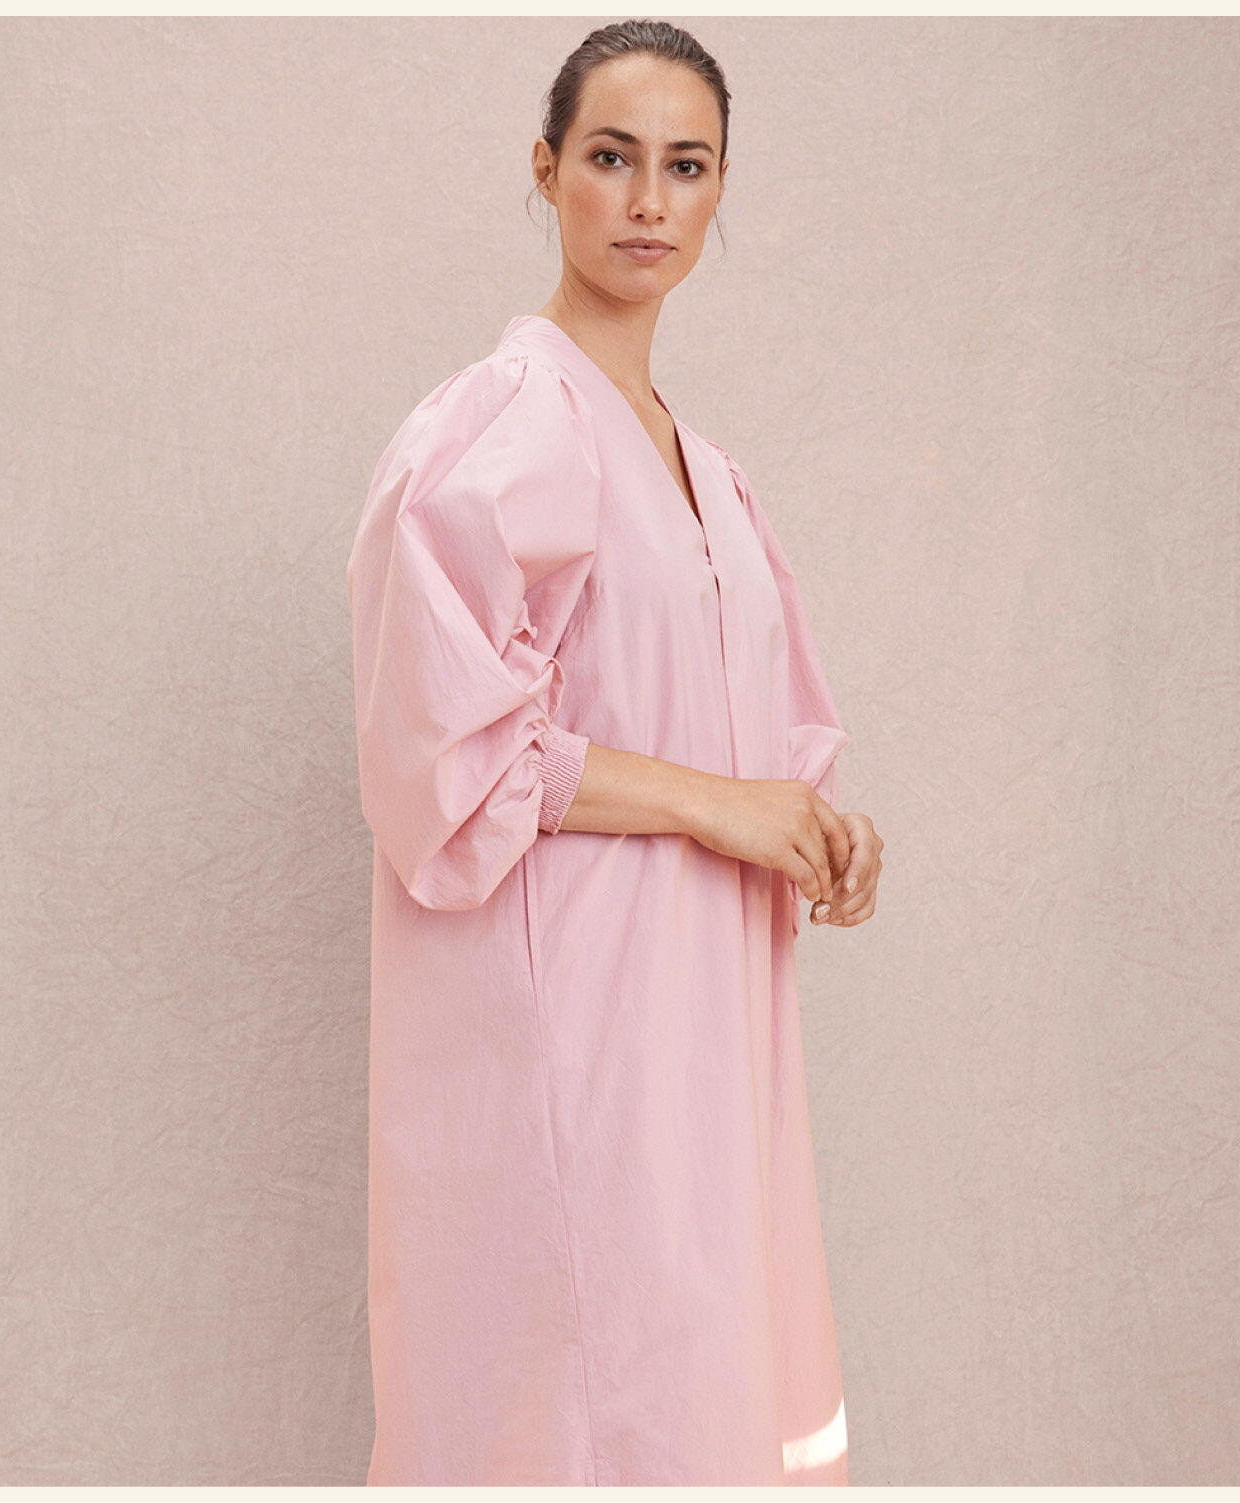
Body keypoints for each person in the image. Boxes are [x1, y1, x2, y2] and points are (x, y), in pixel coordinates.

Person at [346, 18, 883, 1487]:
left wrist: (817, 825)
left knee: (708, 1384)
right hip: (574, 1016)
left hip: (707, 1019)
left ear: (719, 192)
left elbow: (767, 737)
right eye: (610, 157)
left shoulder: (709, 474)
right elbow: (440, 760)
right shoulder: (503, 427)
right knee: (585, 1402)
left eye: (686, 166)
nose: (649, 201)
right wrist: (718, 808)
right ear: (547, 172)